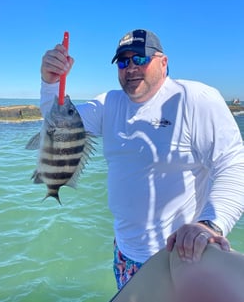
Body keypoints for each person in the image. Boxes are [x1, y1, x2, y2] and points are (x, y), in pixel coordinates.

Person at [39, 29, 244, 290]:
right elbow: (58, 126)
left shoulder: (195, 99)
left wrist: (210, 225)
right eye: (123, 62)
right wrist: (50, 81)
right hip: (125, 254)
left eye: (140, 59)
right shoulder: (109, 104)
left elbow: (234, 164)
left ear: (163, 62)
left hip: (181, 256)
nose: (131, 68)